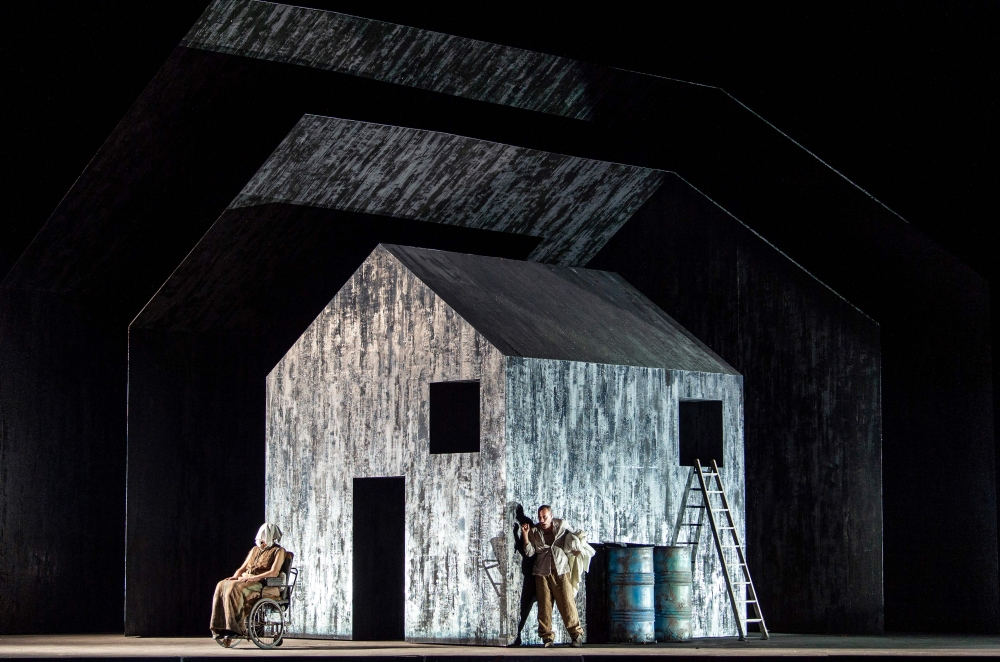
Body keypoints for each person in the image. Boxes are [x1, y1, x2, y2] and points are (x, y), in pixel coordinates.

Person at [210, 523, 286, 646]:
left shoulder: (278, 551)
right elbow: (243, 568)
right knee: (222, 585)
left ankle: (234, 628)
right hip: (247, 578)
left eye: (264, 537)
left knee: (235, 589)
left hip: (262, 583)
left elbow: (274, 572)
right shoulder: (255, 550)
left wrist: (254, 578)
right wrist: (235, 576)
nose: (262, 540)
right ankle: (220, 627)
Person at [521, 505, 585, 647]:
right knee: (544, 606)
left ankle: (576, 635)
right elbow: (530, 552)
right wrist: (525, 535)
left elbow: (573, 536)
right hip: (542, 573)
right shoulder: (535, 531)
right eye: (540, 517)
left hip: (561, 570)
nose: (542, 520)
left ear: (551, 516)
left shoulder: (562, 525)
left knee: (567, 603)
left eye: (545, 517)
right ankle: (547, 638)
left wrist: (575, 546)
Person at [510, 505, 537, 646]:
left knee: (525, 607)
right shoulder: (526, 524)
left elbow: (526, 551)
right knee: (525, 607)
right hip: (530, 574)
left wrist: (518, 534)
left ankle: (518, 635)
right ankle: (518, 635)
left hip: (533, 575)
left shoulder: (527, 525)